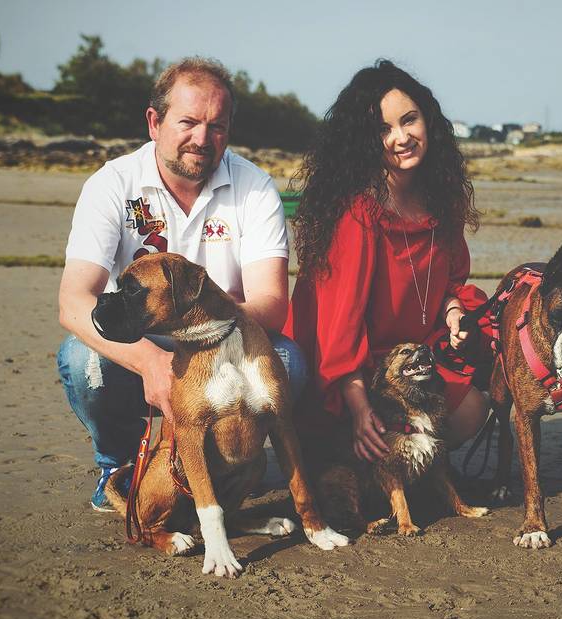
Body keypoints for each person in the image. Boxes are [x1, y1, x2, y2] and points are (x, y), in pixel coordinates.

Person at [57, 57, 307, 511]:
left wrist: (196, 334)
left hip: (224, 340)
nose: (202, 139)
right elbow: (74, 302)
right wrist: (153, 361)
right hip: (142, 335)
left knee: (289, 361)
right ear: (154, 122)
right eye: (188, 122)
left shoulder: (255, 189)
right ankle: (117, 464)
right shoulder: (111, 184)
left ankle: (233, 465)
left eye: (217, 126)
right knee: (81, 360)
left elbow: (270, 305)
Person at [284, 60, 490, 463]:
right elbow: (338, 327)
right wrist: (360, 409)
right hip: (349, 373)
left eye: (409, 120)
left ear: (427, 120)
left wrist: (452, 312)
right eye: (383, 129)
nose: (401, 137)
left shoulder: (442, 198)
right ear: (364, 141)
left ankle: (417, 460)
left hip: (413, 357)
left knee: (473, 410)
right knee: (372, 445)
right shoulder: (357, 211)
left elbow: (452, 282)